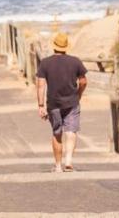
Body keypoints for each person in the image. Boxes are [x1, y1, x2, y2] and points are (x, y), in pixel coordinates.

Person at [36, 32, 87, 172]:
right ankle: (69, 162)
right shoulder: (75, 61)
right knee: (71, 132)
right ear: (66, 47)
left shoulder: (45, 63)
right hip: (72, 102)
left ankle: (58, 166)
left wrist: (41, 105)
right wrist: (78, 94)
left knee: (57, 133)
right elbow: (83, 82)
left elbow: (40, 85)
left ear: (54, 46)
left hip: (53, 104)